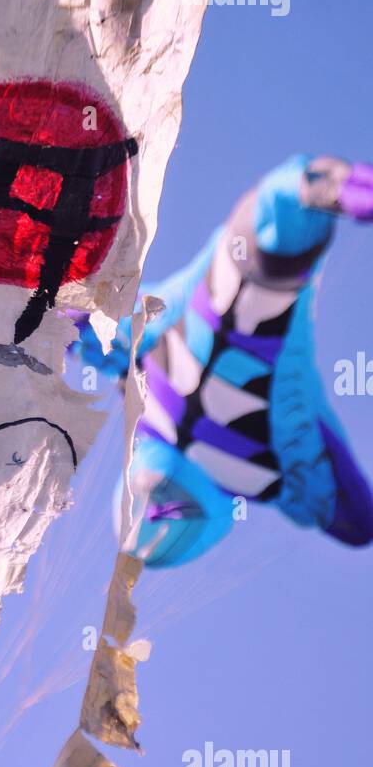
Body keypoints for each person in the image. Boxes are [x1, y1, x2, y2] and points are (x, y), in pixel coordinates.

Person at [70, 155, 373, 567]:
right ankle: (294, 205)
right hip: (242, 357)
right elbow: (352, 518)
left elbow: (66, 316)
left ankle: (294, 206)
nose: (156, 512)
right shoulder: (291, 460)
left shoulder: (137, 346)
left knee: (238, 305)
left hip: (214, 330)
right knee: (245, 308)